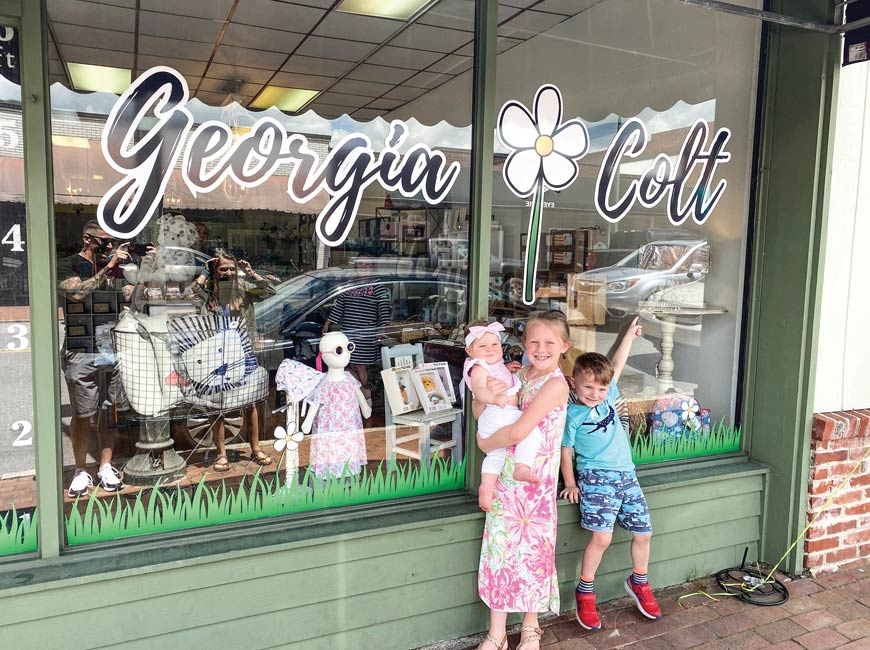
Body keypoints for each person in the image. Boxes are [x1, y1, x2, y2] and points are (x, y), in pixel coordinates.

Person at [473, 310, 571, 650]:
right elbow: (479, 408)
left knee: (533, 554)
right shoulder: (520, 374)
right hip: (504, 478)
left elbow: (519, 429)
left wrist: (484, 443)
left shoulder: (556, 384)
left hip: (534, 482)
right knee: (500, 550)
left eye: (549, 343)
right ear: (523, 344)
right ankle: (496, 633)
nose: (540, 349)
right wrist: (494, 389)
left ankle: (531, 626)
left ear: (564, 346)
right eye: (533, 342)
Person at [559, 316, 661, 631]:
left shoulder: (608, 396)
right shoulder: (572, 414)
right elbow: (566, 451)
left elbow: (616, 362)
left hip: (626, 476)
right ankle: (585, 590)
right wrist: (571, 483)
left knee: (644, 531)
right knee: (602, 537)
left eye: (601, 388)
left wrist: (628, 335)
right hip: (596, 478)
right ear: (574, 382)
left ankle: (639, 581)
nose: (595, 393)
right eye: (588, 386)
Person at [58, 220, 133, 497]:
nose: (110, 246)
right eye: (104, 241)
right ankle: (80, 469)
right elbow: (76, 293)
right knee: (83, 414)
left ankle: (105, 465)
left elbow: (132, 296)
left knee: (110, 411)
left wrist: (147, 272)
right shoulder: (68, 265)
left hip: (110, 347)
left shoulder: (114, 272)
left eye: (112, 242)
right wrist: (108, 268)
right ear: (87, 240)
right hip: (81, 347)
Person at [189, 250, 275, 471]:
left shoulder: (244, 288)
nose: (228, 272)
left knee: (250, 401)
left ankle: (255, 448)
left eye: (231, 268)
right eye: (223, 269)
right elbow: (192, 292)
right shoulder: (210, 291)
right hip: (216, 353)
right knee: (217, 405)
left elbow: (270, 291)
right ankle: (221, 453)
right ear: (216, 272)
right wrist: (204, 271)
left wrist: (250, 272)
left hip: (243, 352)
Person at [464, 320, 541, 512]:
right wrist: (494, 397)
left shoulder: (493, 365)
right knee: (531, 430)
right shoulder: (479, 367)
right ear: (470, 351)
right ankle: (522, 467)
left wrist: (506, 368)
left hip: (493, 419)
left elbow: (495, 373)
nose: (490, 349)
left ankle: (487, 486)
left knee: (495, 454)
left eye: (495, 344)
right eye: (482, 346)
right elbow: (479, 389)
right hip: (499, 412)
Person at [322, 259, 390, 400]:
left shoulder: (378, 286)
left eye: (367, 264)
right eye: (360, 264)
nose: (363, 267)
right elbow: (339, 306)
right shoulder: (349, 285)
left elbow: (383, 309)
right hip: (347, 334)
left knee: (360, 366)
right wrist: (328, 323)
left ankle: (364, 398)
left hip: (366, 335)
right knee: (343, 364)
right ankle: (362, 394)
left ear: (373, 267)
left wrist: (383, 328)